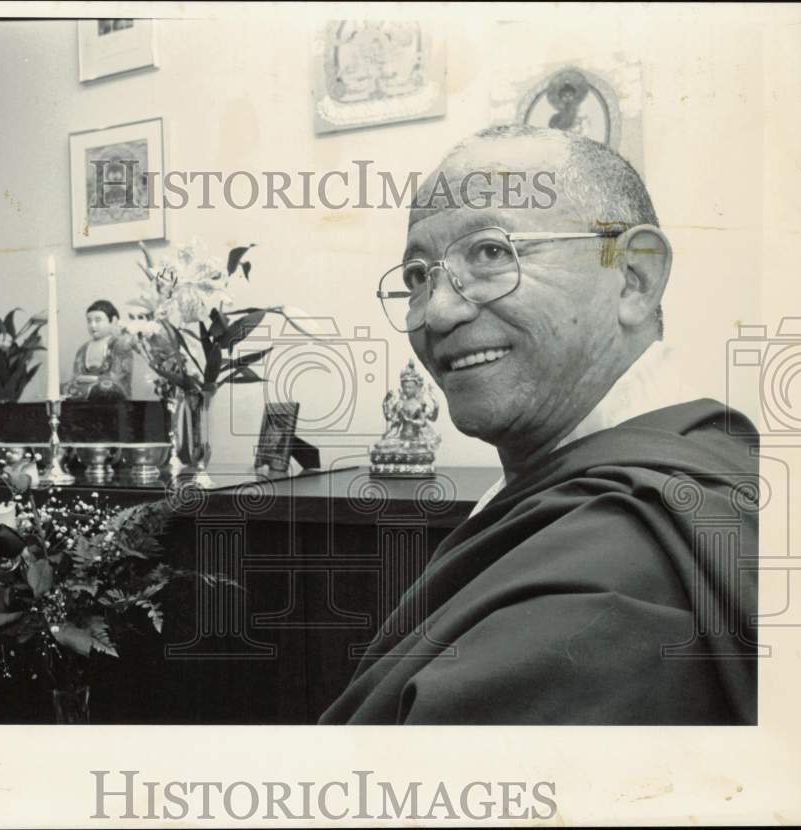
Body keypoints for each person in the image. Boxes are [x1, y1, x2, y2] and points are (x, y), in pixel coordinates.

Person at [321, 124, 758, 725]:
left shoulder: (616, 577)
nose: (439, 312)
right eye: (419, 276)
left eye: (492, 252)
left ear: (634, 275)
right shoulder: (682, 457)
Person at [64, 299, 134, 400]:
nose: (92, 325)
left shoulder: (120, 345)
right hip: (86, 390)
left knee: (103, 389)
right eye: (89, 321)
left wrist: (94, 380)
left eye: (98, 320)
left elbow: (118, 378)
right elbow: (76, 376)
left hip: (109, 392)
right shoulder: (83, 349)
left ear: (113, 321)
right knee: (60, 388)